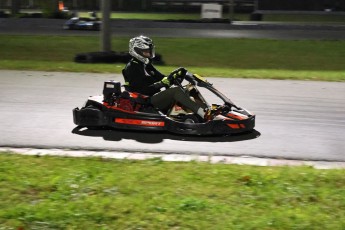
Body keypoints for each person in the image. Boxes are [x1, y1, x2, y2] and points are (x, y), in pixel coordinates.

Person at [122, 35, 217, 121]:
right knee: (175, 91)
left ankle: (206, 109)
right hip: (145, 101)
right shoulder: (132, 67)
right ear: (137, 51)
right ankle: (204, 115)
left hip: (153, 96)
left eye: (149, 51)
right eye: (146, 51)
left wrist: (175, 75)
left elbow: (161, 78)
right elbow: (141, 90)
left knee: (189, 88)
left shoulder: (146, 65)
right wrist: (161, 84)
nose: (149, 53)